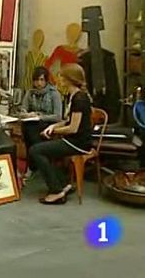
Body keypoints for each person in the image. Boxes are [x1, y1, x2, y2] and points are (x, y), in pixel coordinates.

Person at [29, 63, 94, 205]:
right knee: (41, 147)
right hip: (73, 139)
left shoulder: (79, 99)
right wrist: (53, 126)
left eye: (61, 77)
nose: (59, 80)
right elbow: (67, 121)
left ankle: (56, 191)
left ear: (68, 79)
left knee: (36, 151)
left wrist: (54, 131)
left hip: (78, 143)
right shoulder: (73, 95)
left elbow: (73, 128)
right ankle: (63, 184)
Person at [20, 66, 63, 179]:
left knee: (31, 131)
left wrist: (40, 117)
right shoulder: (30, 93)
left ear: (46, 81)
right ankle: (36, 162)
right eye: (36, 80)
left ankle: (33, 164)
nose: (39, 83)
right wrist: (27, 114)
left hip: (49, 123)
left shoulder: (54, 93)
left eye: (42, 80)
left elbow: (58, 116)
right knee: (27, 126)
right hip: (32, 122)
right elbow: (22, 110)